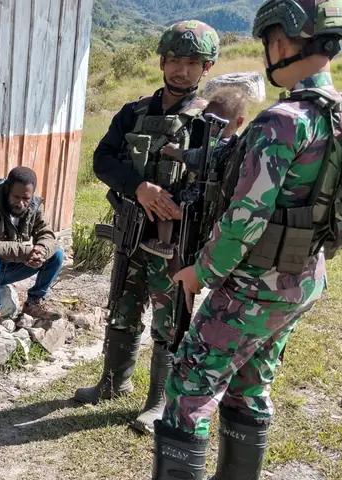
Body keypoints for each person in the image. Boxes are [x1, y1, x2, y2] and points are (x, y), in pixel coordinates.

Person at [102, 0, 342, 480]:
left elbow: (244, 217)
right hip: (303, 279)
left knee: (191, 382)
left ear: (285, 42)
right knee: (252, 378)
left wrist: (201, 271)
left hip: (256, 282)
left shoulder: (284, 121)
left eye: (269, 41)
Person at [73, 21, 220, 435]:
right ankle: (112, 381)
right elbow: (103, 160)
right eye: (174, 60)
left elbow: (219, 184)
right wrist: (138, 187)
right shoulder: (133, 113)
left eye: (192, 62)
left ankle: (158, 402)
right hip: (132, 230)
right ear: (161, 61)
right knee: (122, 304)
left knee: (169, 320)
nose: (181, 70)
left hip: (174, 239)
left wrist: (180, 205)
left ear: (205, 68)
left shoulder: (209, 122)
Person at [0, 167, 64, 337]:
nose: (21, 203)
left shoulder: (34, 207)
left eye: (26, 198)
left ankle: (34, 302)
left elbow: (47, 234)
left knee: (57, 254)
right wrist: (27, 251)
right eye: (16, 197)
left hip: (9, 267)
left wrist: (40, 250)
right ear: (7, 190)